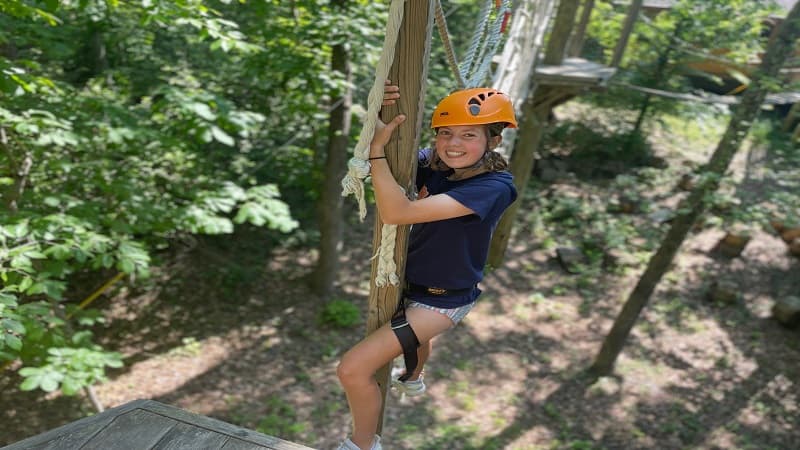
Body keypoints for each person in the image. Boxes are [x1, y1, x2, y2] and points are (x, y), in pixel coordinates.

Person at [336, 82, 518, 450]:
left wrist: (375, 154)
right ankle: (414, 375)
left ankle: (362, 446)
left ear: (494, 142)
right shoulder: (436, 164)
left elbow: (396, 212)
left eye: (469, 135)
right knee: (416, 338)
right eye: (445, 133)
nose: (453, 144)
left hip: (444, 301)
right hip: (414, 283)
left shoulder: (494, 186)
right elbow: (398, 149)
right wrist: (387, 106)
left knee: (352, 370)